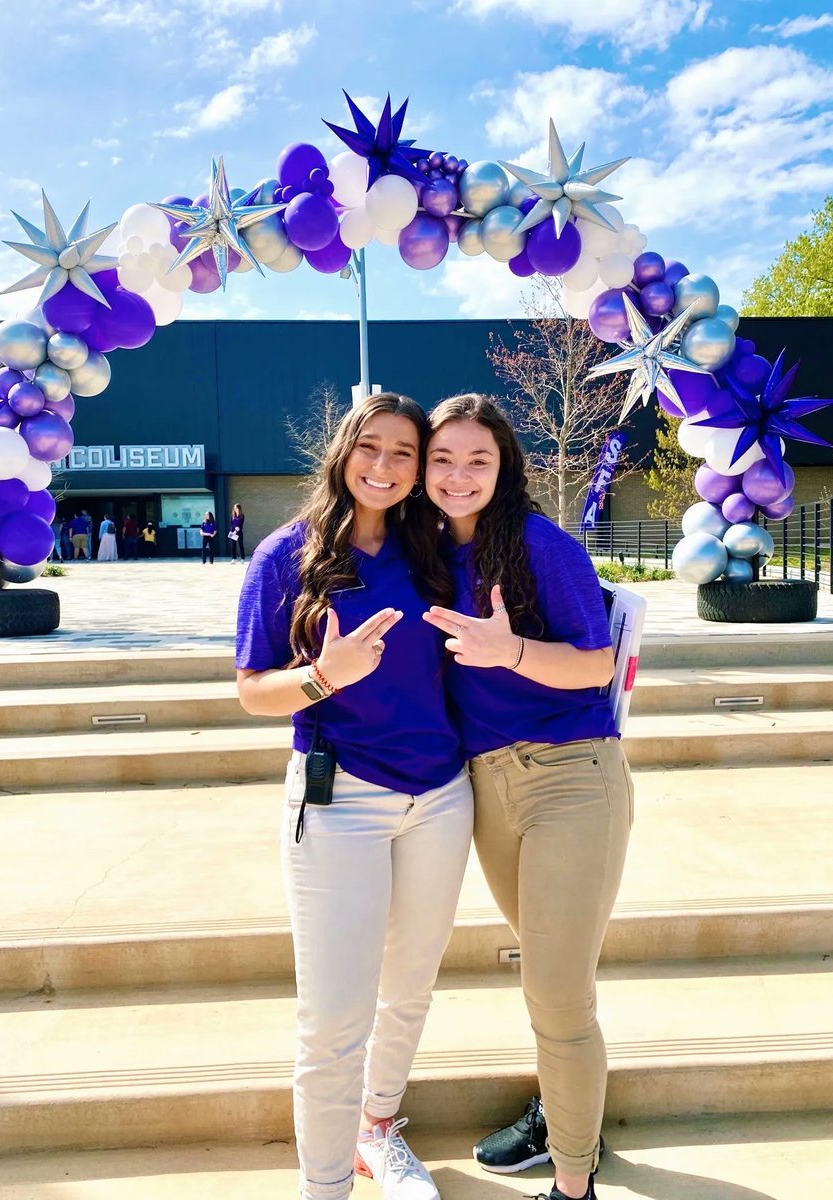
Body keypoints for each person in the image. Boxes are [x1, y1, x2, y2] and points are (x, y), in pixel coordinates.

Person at [235, 392, 472, 1200]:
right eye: (370, 447)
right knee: (334, 1018)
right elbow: (252, 691)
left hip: (441, 796)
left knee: (409, 986)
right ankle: (326, 1186)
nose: (385, 465)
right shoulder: (285, 555)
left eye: (405, 452)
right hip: (341, 801)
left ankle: (377, 1133)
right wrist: (323, 677)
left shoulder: (436, 549)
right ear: (343, 452)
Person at [422, 395, 631, 1200]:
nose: (458, 475)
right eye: (443, 460)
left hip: (570, 780)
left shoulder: (541, 546)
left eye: (478, 460)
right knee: (554, 972)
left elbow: (592, 666)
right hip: (487, 787)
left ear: (504, 466)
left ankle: (573, 1185)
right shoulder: (430, 550)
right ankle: (565, 1111)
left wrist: (506, 648)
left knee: (554, 988)